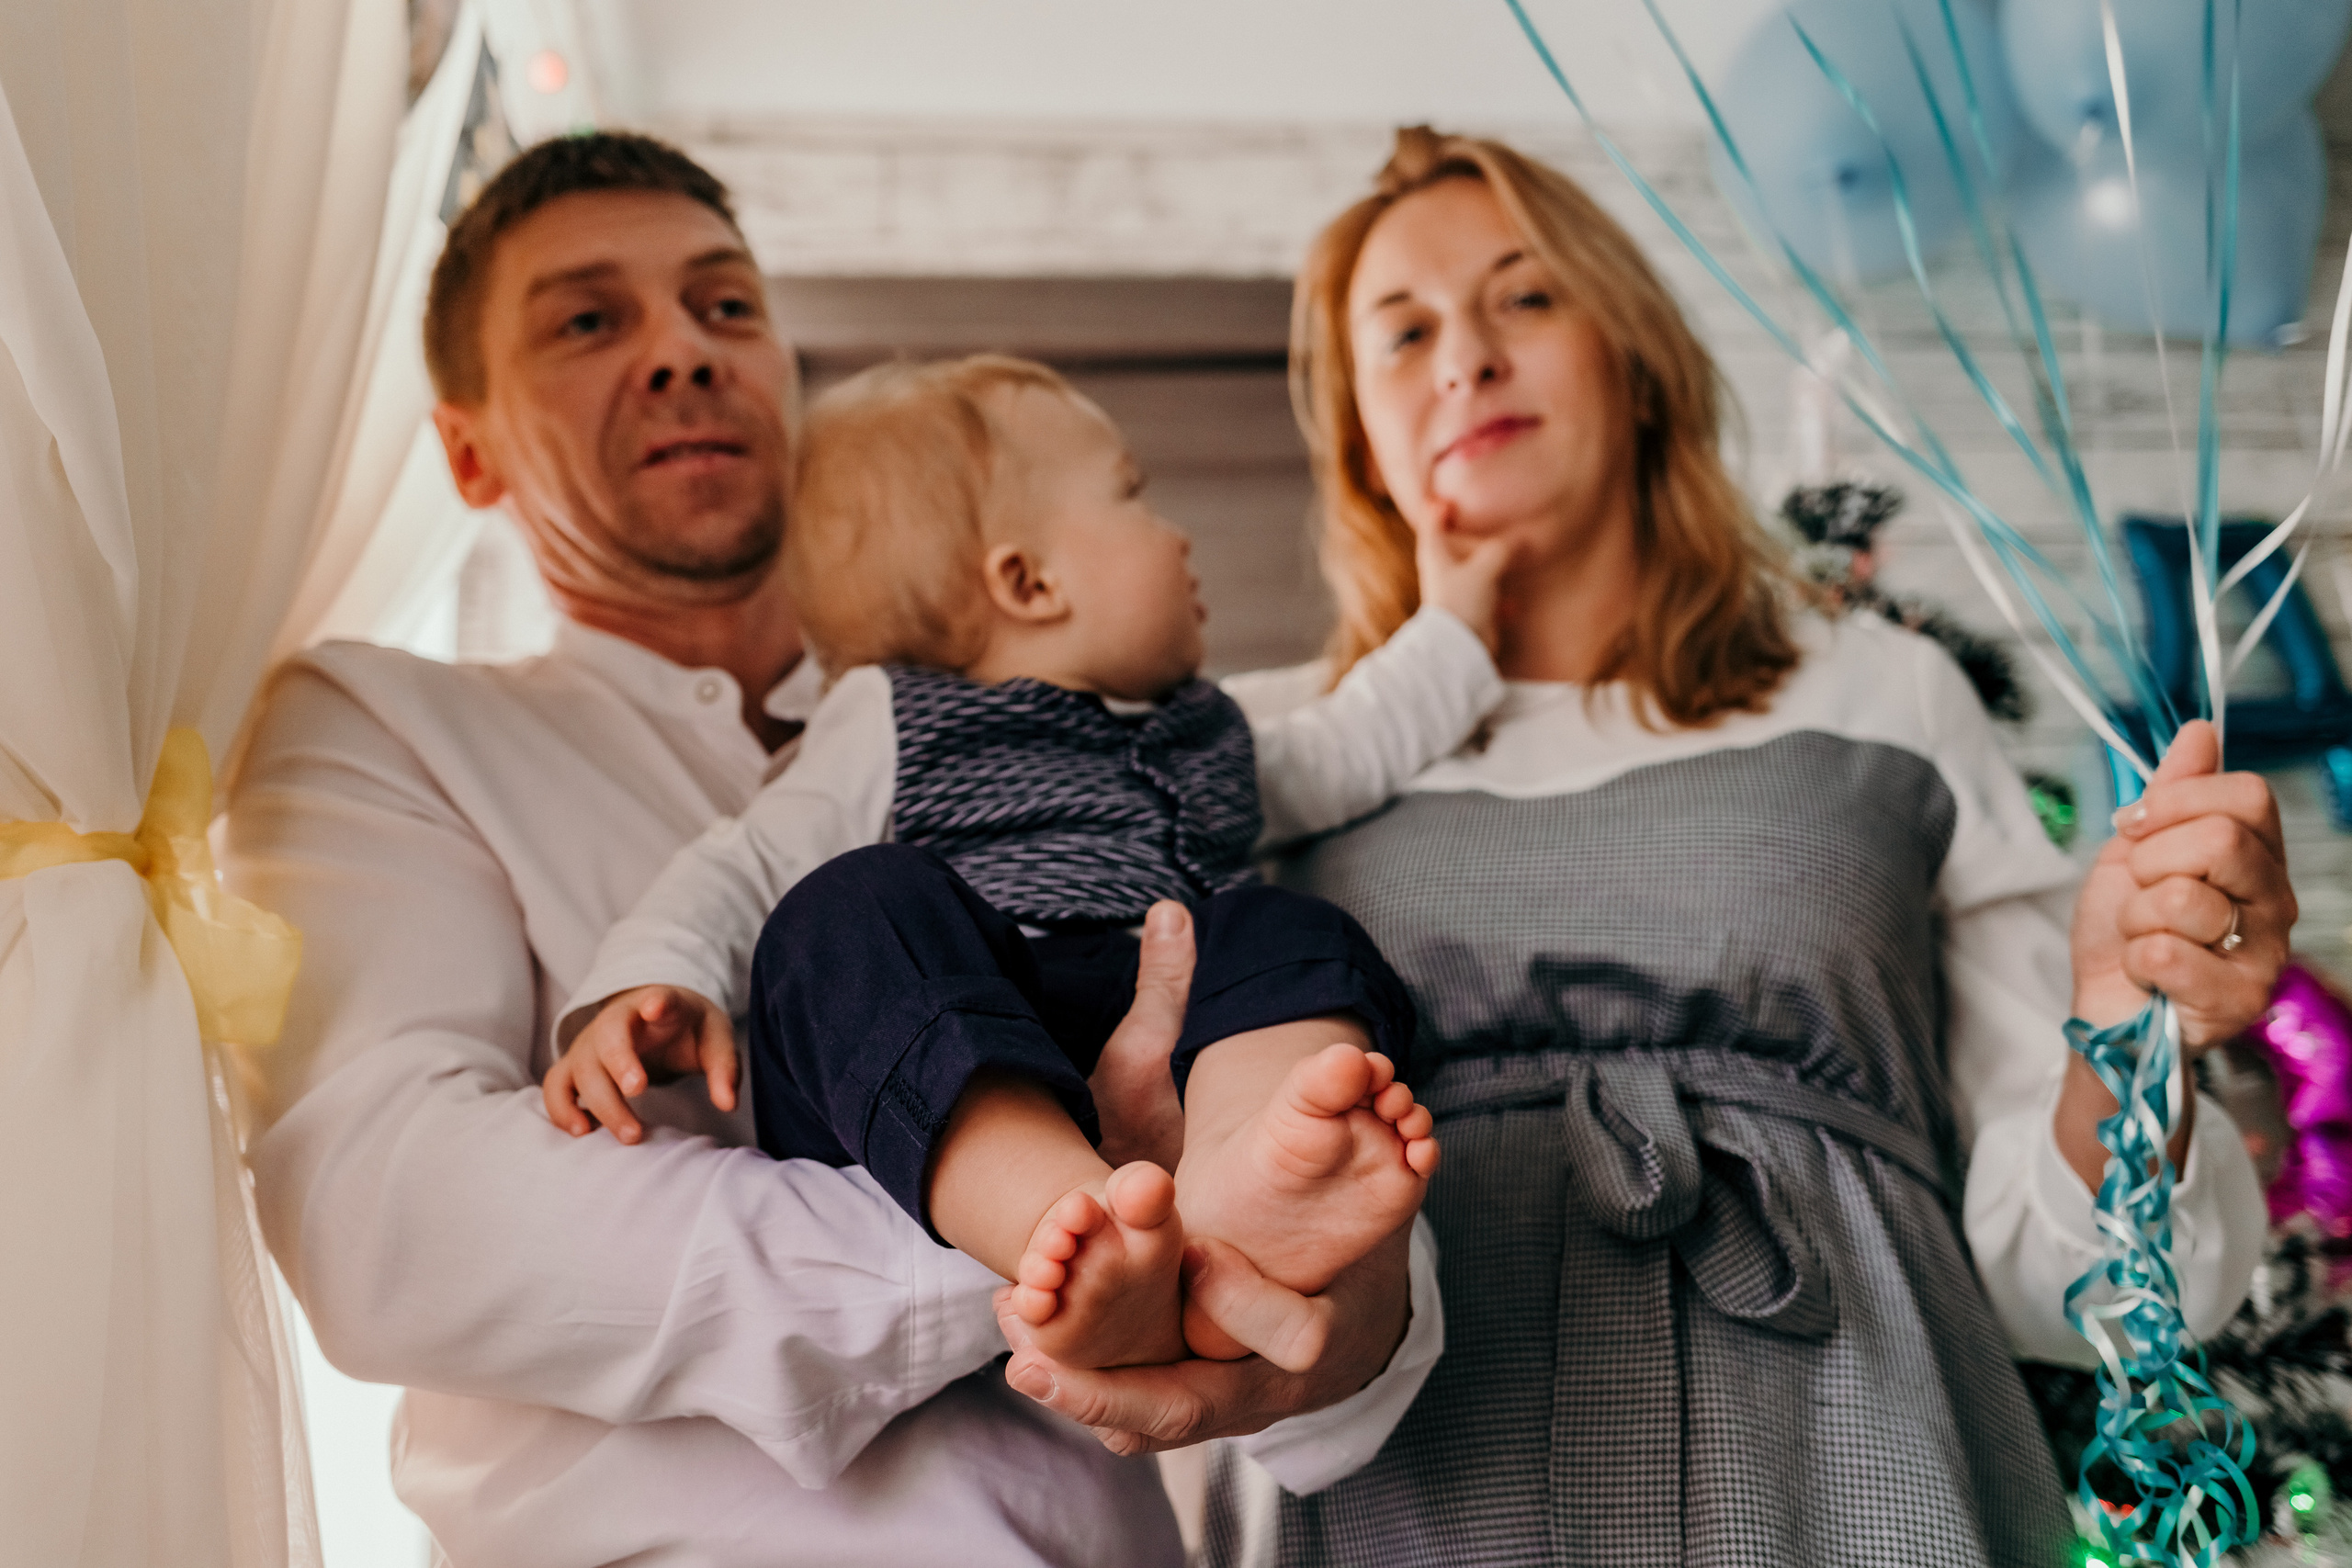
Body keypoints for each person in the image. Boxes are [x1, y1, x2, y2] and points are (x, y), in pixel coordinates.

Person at [220, 133, 1447, 1568]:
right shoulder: (384, 721)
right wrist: (1052, 1213)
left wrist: (1343, 1302)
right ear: (470, 448)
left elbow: (1307, 1263)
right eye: (589, 319)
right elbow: (397, 1222)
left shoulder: (1070, 733)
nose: (683, 351)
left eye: (726, 306)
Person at [1130, 128, 2278, 1565]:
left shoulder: (1878, 691)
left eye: (1525, 297)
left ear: (1636, 350)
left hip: (1861, 1469)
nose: (1466, 359)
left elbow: (2067, 1278)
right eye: (1404, 331)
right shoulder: (1257, 757)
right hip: (1405, 1492)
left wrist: (2130, 1023)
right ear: (1359, 427)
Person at [548, 353, 1514, 1369]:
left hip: (1164, 1031)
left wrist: (1456, 623)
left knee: (1293, 930)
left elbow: (1348, 747)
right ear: (1028, 581)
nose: (1176, 533)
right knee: (852, 907)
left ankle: (1241, 1186)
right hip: (950, 1049)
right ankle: (1065, 1219)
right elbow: (742, 862)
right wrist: (653, 976)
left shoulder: (1205, 734)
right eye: (1133, 496)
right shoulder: (893, 718)